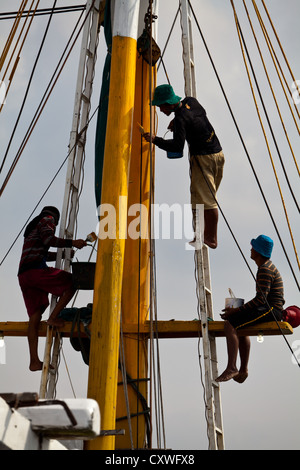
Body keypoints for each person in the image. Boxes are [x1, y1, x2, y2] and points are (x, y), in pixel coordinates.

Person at [143, 84, 225, 248]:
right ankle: (202, 235)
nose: (160, 110)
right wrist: (177, 120)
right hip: (218, 154)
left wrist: (155, 139)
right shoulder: (191, 102)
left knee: (208, 201)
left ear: (168, 103)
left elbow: (176, 147)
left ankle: (211, 238)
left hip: (203, 159)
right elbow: (193, 115)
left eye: (160, 106)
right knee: (202, 198)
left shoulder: (181, 119)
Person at [18, 206, 87, 371]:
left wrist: (61, 255)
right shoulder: (47, 220)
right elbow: (49, 240)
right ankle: (54, 317)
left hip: (25, 275)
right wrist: (72, 243)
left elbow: (42, 250)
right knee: (71, 283)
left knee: (34, 317)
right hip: (36, 271)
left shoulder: (32, 229)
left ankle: (34, 361)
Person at [216, 235, 285, 383]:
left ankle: (232, 367)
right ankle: (242, 369)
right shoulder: (265, 267)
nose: (251, 249)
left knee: (230, 325)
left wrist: (236, 311)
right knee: (241, 324)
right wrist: (240, 311)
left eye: (253, 247)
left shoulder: (265, 270)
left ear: (258, 252)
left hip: (271, 310)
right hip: (268, 307)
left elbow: (261, 299)